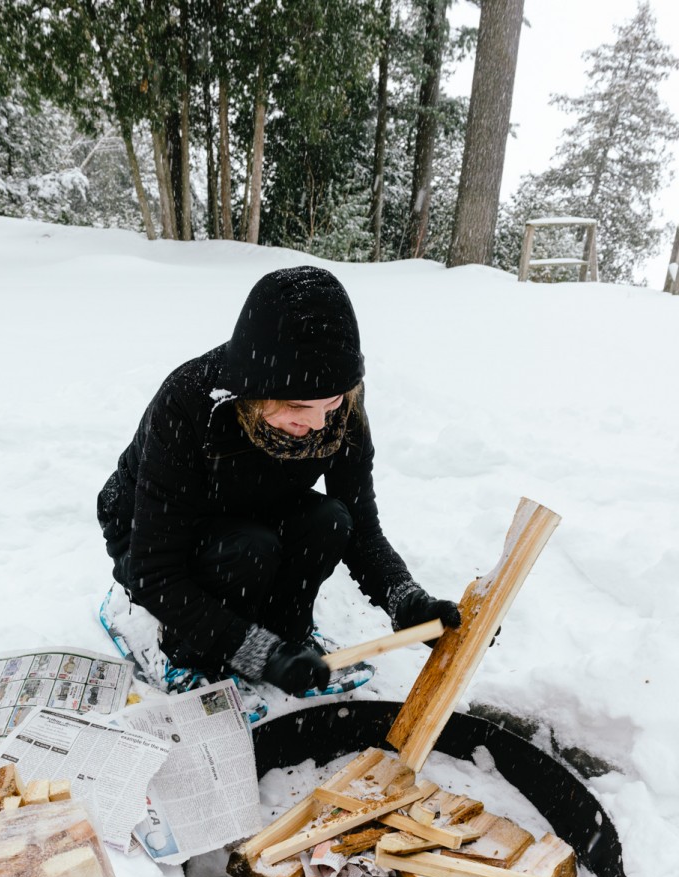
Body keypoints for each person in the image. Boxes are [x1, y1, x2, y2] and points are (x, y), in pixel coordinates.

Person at [97, 266, 460, 697]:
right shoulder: (189, 404)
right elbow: (155, 570)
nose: (318, 421)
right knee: (248, 549)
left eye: (332, 401)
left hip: (252, 511)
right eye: (296, 406)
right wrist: (256, 652)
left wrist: (408, 602)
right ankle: (186, 651)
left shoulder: (338, 414)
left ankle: (288, 635)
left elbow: (361, 529)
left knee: (330, 520)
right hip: (152, 537)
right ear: (255, 391)